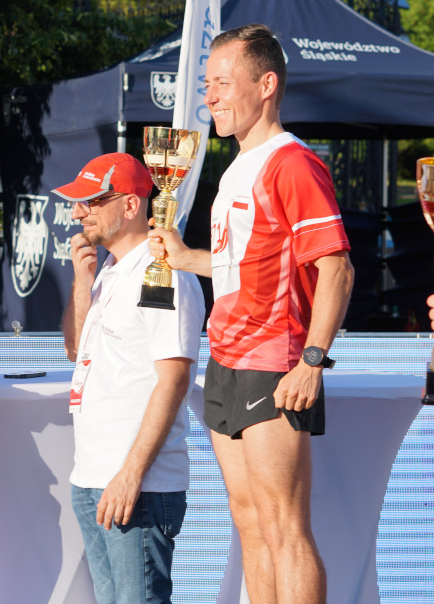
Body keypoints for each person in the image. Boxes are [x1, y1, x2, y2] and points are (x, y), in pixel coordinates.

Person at [147, 24, 355, 604]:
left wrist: (312, 361)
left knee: (285, 528)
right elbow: (244, 265)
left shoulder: (292, 163)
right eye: (206, 84)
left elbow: (337, 269)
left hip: (275, 359)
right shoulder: (238, 165)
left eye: (221, 82)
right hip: (227, 358)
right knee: (252, 525)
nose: (209, 96)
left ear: (266, 85)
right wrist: (187, 258)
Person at [56, 152, 205, 603]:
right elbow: (75, 353)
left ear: (130, 205)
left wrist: (130, 474)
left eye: (91, 201)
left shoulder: (164, 272)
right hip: (93, 475)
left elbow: (174, 381)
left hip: (136, 485)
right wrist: (81, 282)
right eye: (78, 202)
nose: (78, 212)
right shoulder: (109, 269)